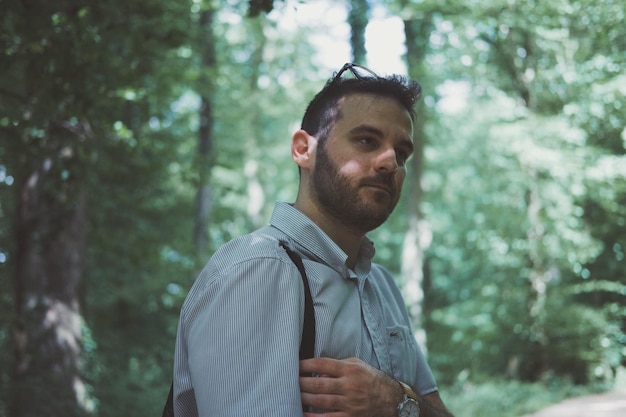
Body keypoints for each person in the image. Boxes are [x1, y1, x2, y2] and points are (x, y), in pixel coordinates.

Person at [172, 63, 454, 417]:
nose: (390, 163)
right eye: (367, 140)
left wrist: (395, 400)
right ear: (304, 149)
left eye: (402, 153)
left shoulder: (381, 285)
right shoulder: (257, 270)